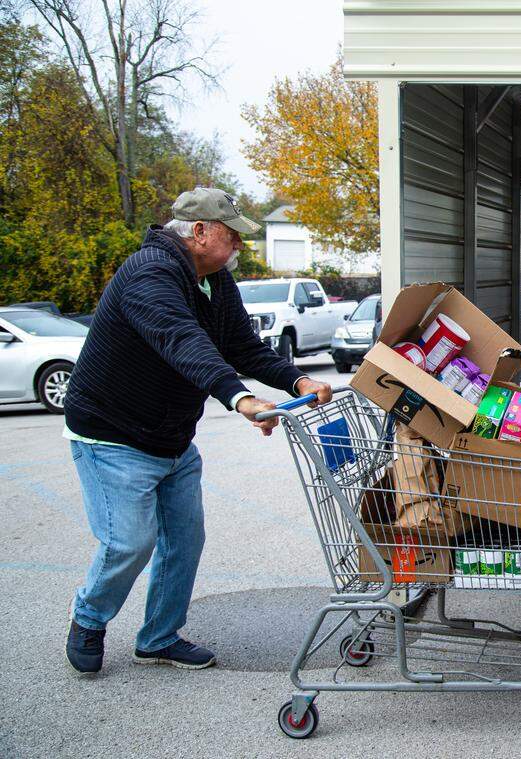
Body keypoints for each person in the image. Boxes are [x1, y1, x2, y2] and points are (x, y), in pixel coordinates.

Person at [63, 187, 333, 674]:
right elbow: (181, 340)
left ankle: (159, 636)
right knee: (129, 542)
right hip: (112, 436)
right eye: (232, 236)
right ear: (200, 231)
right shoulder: (150, 274)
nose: (238, 247)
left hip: (170, 438)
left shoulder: (214, 281)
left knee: (184, 540)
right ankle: (88, 616)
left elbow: (242, 347)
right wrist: (240, 398)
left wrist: (297, 379)